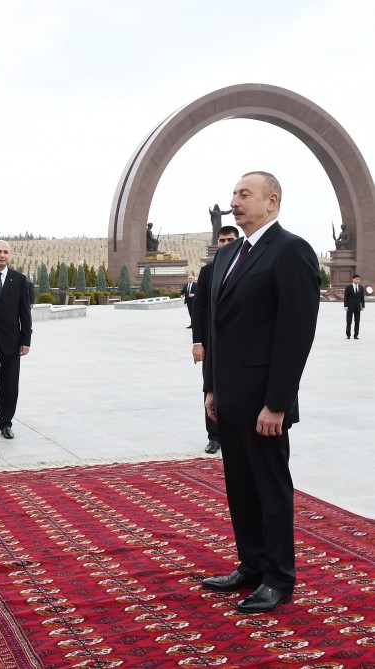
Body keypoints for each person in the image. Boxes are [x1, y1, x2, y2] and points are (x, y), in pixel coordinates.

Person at [202, 171, 320, 614]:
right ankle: (250, 566)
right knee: (240, 488)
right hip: (228, 397)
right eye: (233, 193)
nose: (234, 201)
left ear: (272, 202)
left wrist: (278, 402)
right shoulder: (229, 253)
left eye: (244, 194)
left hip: (264, 402)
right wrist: (211, 386)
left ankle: (278, 578)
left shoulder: (291, 251)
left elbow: (295, 334)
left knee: (270, 492)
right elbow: (217, 327)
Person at [191, 225, 239, 454]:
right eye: (222, 240)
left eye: (230, 240)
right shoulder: (208, 272)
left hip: (238, 342)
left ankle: (234, 432)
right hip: (211, 342)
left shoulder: (245, 268)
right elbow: (198, 309)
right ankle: (214, 435)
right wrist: (197, 342)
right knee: (211, 387)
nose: (226, 244)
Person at [0, 240, 32, 439]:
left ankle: (6, 422)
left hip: (12, 339)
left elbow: (24, 312)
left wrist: (26, 339)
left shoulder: (19, 280)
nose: (2, 255)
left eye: (5, 252)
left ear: (9, 255)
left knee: (10, 382)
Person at [344, 274, 365, 339]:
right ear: (353, 279)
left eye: (359, 279)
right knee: (349, 321)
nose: (358, 280)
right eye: (356, 279)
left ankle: (356, 335)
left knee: (357, 321)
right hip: (350, 307)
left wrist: (363, 306)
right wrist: (345, 306)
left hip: (358, 307)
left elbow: (362, 298)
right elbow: (346, 297)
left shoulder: (361, 288)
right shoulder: (348, 287)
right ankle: (348, 334)